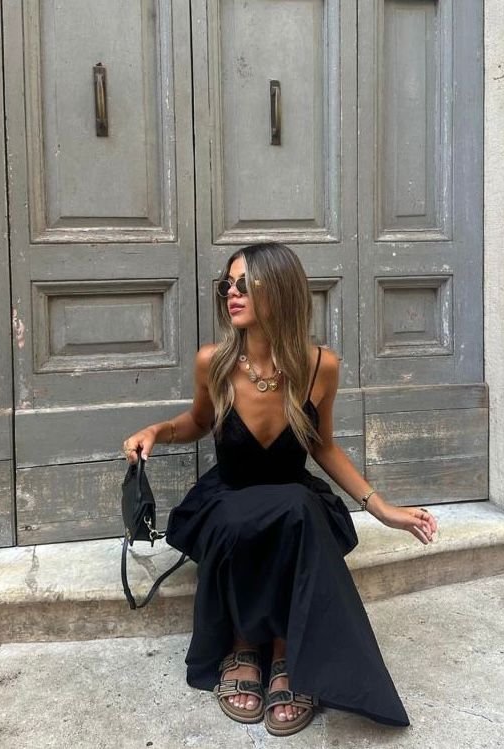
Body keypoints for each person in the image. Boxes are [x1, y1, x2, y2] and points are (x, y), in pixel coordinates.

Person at [122, 242, 437, 736]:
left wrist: (382, 509)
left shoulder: (320, 366)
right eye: (227, 285)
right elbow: (198, 422)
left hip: (294, 502)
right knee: (245, 516)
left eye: (244, 284)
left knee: (296, 507)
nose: (232, 294)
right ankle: (244, 645)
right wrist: (156, 431)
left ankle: (286, 652)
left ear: (280, 291)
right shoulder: (213, 362)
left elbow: (323, 446)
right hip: (228, 499)